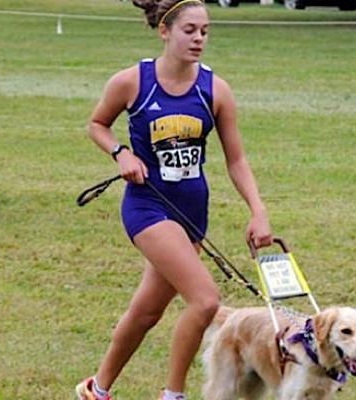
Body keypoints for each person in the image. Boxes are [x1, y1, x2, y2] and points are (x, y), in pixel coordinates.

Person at [75, 0, 273, 399]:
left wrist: (258, 210)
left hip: (193, 213)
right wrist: (122, 153)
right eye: (189, 30)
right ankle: (173, 394)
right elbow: (97, 125)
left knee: (147, 312)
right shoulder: (132, 81)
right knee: (205, 301)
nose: (199, 38)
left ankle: (96, 388)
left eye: (204, 30)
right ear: (165, 31)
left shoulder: (215, 89)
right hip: (147, 207)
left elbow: (236, 159)